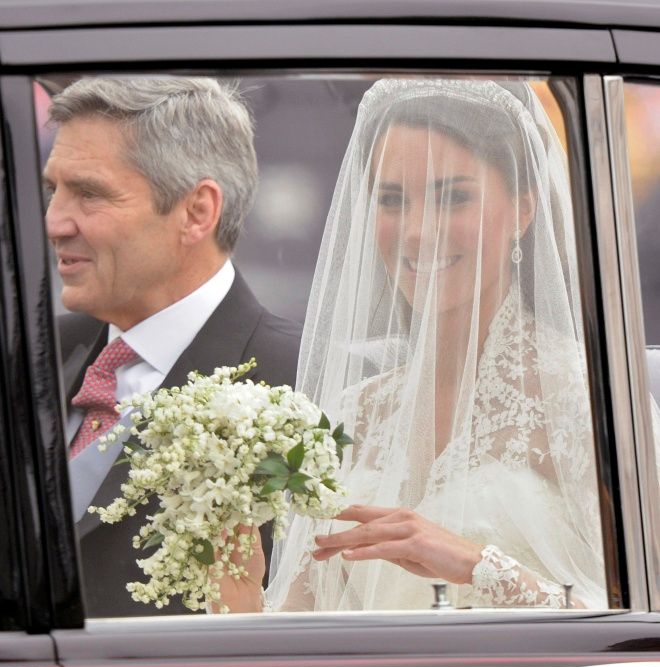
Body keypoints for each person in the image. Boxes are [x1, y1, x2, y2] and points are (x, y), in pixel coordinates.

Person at [266, 77, 609, 612]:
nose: (418, 232)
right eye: (392, 199)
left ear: (523, 209)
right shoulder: (357, 413)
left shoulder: (585, 404)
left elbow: (640, 626)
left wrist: (479, 569)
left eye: (453, 197)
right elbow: (292, 626)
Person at [44, 76, 300, 616]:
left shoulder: (304, 382)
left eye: (88, 193)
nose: (54, 222)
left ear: (197, 212)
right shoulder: (35, 355)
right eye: (54, 191)